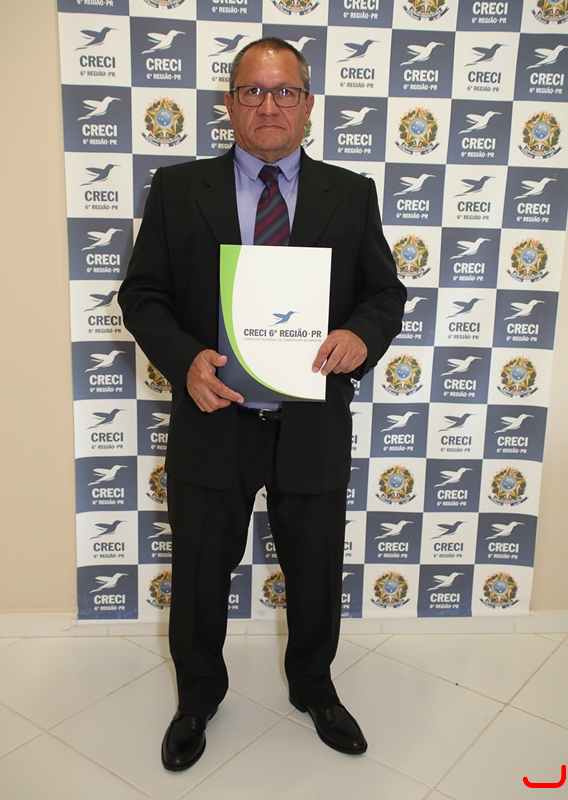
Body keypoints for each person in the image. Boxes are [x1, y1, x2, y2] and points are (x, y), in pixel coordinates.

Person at [119, 37, 406, 771]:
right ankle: (196, 700)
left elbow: (384, 293)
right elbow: (142, 295)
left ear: (308, 105)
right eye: (252, 90)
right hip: (214, 416)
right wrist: (185, 360)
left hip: (311, 420)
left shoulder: (351, 192)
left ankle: (314, 689)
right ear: (230, 103)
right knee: (199, 571)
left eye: (284, 92)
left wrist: (359, 335)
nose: (268, 105)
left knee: (314, 568)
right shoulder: (178, 188)